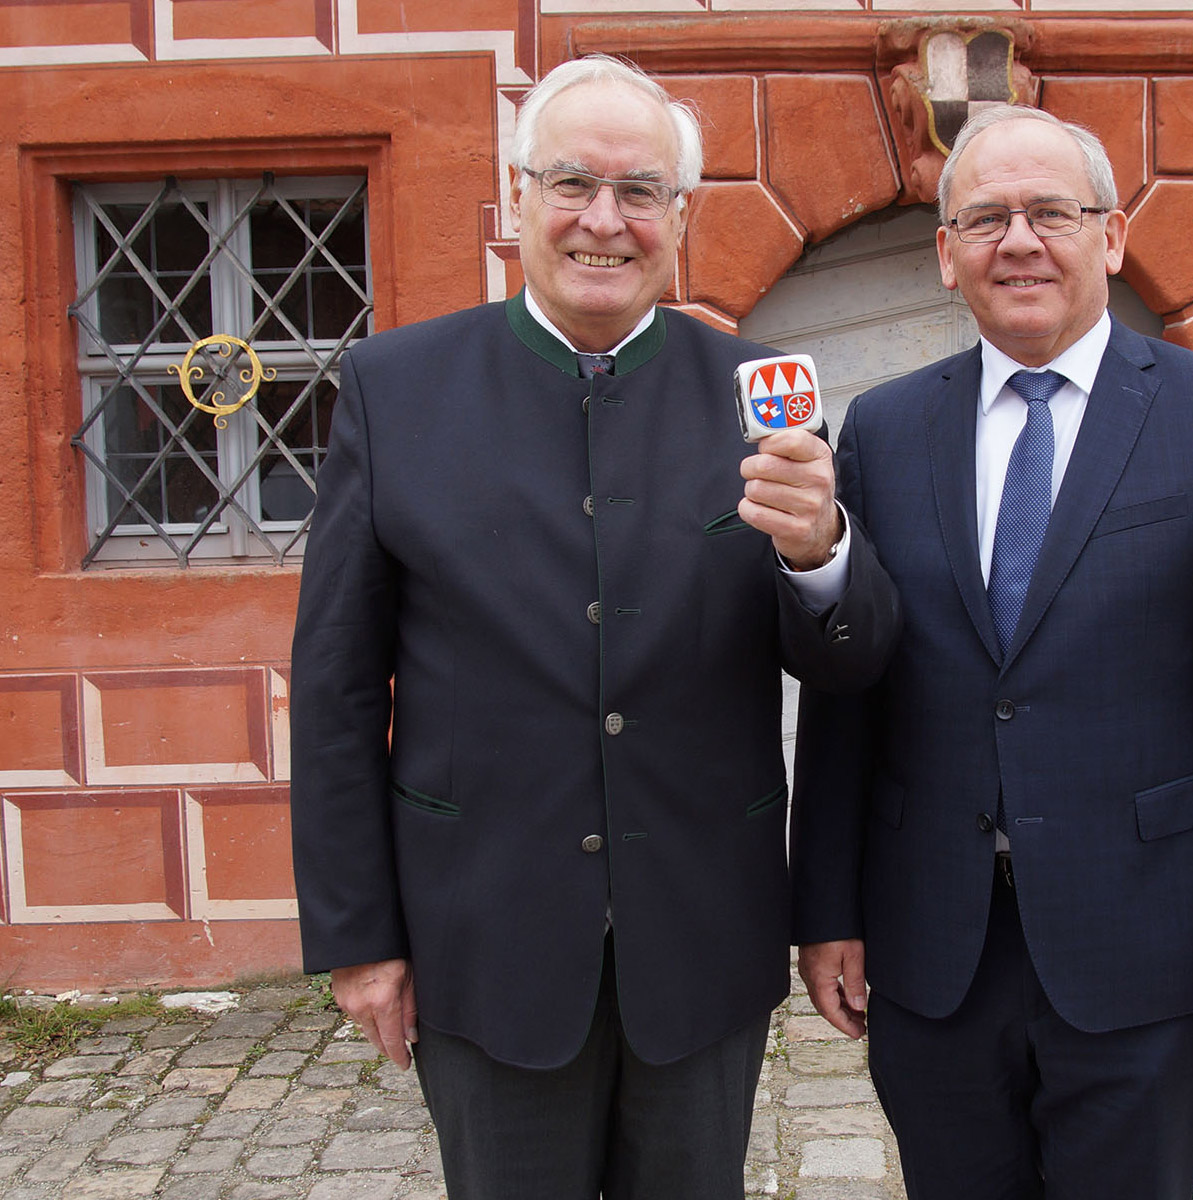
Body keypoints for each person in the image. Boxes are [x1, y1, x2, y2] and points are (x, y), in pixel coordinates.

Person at [289, 54, 898, 1200]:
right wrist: (359, 937)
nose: (603, 222)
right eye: (572, 184)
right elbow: (333, 686)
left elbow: (853, 661)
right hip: (485, 927)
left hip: (702, 931)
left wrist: (821, 555)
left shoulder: (761, 392)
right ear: (518, 195)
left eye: (640, 192)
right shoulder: (395, 387)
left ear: (682, 214)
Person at [790, 104, 1193, 1200]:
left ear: (1111, 237)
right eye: (985, 217)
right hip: (933, 943)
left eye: (1051, 212)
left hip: (1141, 939)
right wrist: (827, 913)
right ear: (946, 256)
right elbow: (853, 700)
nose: (1019, 240)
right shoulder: (884, 431)